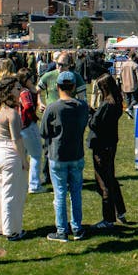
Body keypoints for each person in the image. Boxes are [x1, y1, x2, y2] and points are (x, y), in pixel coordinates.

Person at [40, 71, 89, 242]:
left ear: (58, 87)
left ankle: (62, 230)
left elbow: (44, 131)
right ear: (74, 87)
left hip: (58, 155)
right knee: (75, 193)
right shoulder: (82, 106)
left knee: (60, 194)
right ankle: (76, 228)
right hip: (76, 153)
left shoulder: (53, 108)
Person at [0, 76, 28, 241]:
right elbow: (16, 140)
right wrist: (24, 160)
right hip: (8, 153)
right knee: (11, 193)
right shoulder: (11, 113)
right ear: (9, 91)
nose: (20, 92)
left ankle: (0, 225)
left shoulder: (0, 110)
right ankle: (11, 230)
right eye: (17, 89)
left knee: (0, 191)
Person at [88, 73, 126, 230]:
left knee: (103, 182)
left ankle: (108, 218)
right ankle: (120, 210)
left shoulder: (106, 104)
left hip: (101, 144)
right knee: (110, 177)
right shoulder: (116, 102)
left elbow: (94, 124)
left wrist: (91, 114)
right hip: (111, 142)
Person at [17, 68, 47, 194]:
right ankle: (34, 184)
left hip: (21, 126)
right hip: (28, 126)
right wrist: (34, 117)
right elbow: (28, 106)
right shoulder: (24, 92)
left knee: (22, 155)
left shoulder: (21, 90)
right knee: (35, 154)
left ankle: (22, 182)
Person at [118, 52, 138, 118]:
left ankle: (130, 114)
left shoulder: (123, 64)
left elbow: (120, 75)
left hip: (125, 85)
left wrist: (121, 82)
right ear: (134, 57)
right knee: (137, 99)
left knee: (128, 99)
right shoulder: (135, 65)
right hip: (133, 85)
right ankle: (129, 108)